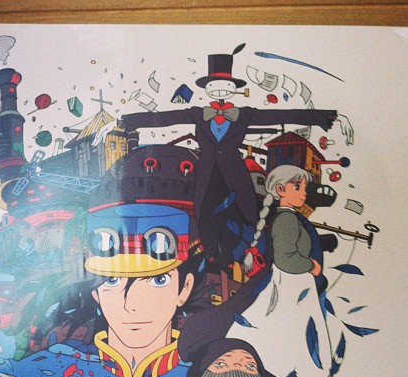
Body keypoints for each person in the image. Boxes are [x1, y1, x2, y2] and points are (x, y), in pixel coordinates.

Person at [0, 145, 207, 377]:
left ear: (185, 288)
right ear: (95, 292)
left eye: (158, 280)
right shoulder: (46, 372)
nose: (132, 305)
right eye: (112, 281)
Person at [116, 46, 353, 266]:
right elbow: (167, 118)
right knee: (205, 214)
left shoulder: (244, 115)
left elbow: (279, 115)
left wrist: (321, 118)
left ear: (233, 89)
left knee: (243, 214)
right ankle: (213, 255)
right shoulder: (198, 114)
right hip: (207, 175)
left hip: (234, 174)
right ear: (207, 89)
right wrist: (130, 121)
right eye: (214, 86)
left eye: (226, 86)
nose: (220, 91)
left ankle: (243, 253)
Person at [229, 165, 333, 377]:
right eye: (297, 187)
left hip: (295, 284)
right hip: (292, 284)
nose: (303, 192)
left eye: (304, 187)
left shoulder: (288, 217)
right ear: (280, 190)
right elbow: (285, 259)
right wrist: (311, 266)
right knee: (296, 332)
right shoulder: (286, 219)